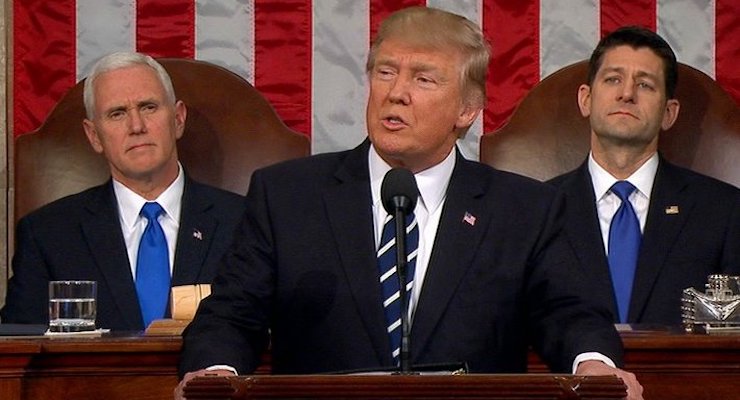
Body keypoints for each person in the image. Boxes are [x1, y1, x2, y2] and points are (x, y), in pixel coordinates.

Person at [176, 7, 642, 399]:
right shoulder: (287, 195)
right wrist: (216, 371)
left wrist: (593, 365)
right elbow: (231, 315)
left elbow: (570, 313)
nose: (396, 92)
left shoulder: (524, 209)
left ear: (466, 110)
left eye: (423, 79)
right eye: (385, 72)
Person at [0, 52, 246, 331]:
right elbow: (19, 351)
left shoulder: (244, 223)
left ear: (178, 119)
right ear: (94, 136)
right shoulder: (48, 234)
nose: (136, 126)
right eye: (117, 114)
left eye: (149, 107)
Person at [549, 26, 740, 325]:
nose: (626, 94)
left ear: (669, 113)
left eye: (645, 85)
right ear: (586, 99)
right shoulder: (537, 211)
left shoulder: (725, 212)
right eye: (613, 80)